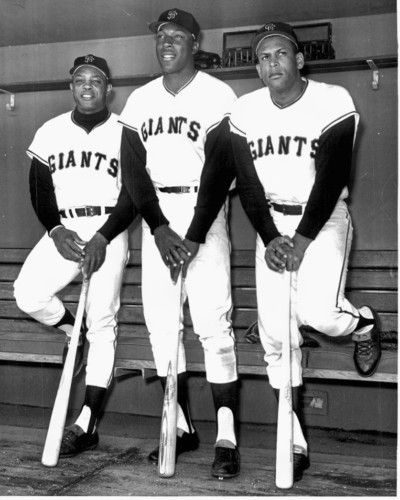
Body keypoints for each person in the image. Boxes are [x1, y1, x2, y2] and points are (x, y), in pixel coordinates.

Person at [226, 22, 382, 481]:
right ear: (258, 68)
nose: (271, 63)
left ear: (299, 60)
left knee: (321, 314)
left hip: (324, 218)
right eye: (263, 57)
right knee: (276, 337)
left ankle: (363, 323)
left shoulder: (333, 100)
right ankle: (293, 438)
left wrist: (300, 241)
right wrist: (270, 236)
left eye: (280, 53)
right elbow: (248, 184)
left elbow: (331, 179)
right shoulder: (246, 109)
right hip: (272, 223)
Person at [118, 8, 240, 479]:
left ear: (194, 42)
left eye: (176, 35)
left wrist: (193, 233)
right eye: (160, 35)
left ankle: (226, 437)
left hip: (203, 213)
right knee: (162, 324)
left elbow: (222, 170)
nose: (166, 42)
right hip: (159, 218)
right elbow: (133, 170)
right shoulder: (141, 99)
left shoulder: (218, 93)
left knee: (212, 325)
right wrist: (158, 227)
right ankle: (181, 426)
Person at [14, 54, 137, 457]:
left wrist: (104, 236)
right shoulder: (50, 130)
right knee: (27, 293)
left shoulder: (125, 131)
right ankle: (72, 330)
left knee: (102, 322)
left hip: (108, 228)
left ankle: (87, 423)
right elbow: (39, 189)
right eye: (80, 79)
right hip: (65, 228)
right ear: (71, 87)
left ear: (108, 89)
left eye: (96, 80)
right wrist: (55, 229)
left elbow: (133, 194)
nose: (87, 86)